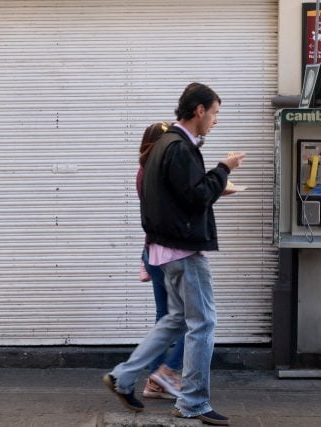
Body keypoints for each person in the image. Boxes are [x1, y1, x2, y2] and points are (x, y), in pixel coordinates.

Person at [103, 82, 245, 426]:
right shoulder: (179, 147)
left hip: (164, 250)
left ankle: (124, 377)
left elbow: (180, 195)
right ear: (199, 110)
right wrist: (224, 168)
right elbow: (196, 196)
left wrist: (213, 185)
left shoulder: (163, 146)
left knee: (175, 320)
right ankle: (193, 401)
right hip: (184, 251)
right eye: (214, 113)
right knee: (203, 324)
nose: (215, 120)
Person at [136, 121, 185, 400]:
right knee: (193, 319)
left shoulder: (143, 172)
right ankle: (165, 374)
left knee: (164, 316)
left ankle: (155, 380)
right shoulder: (157, 175)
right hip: (168, 253)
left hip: (152, 250)